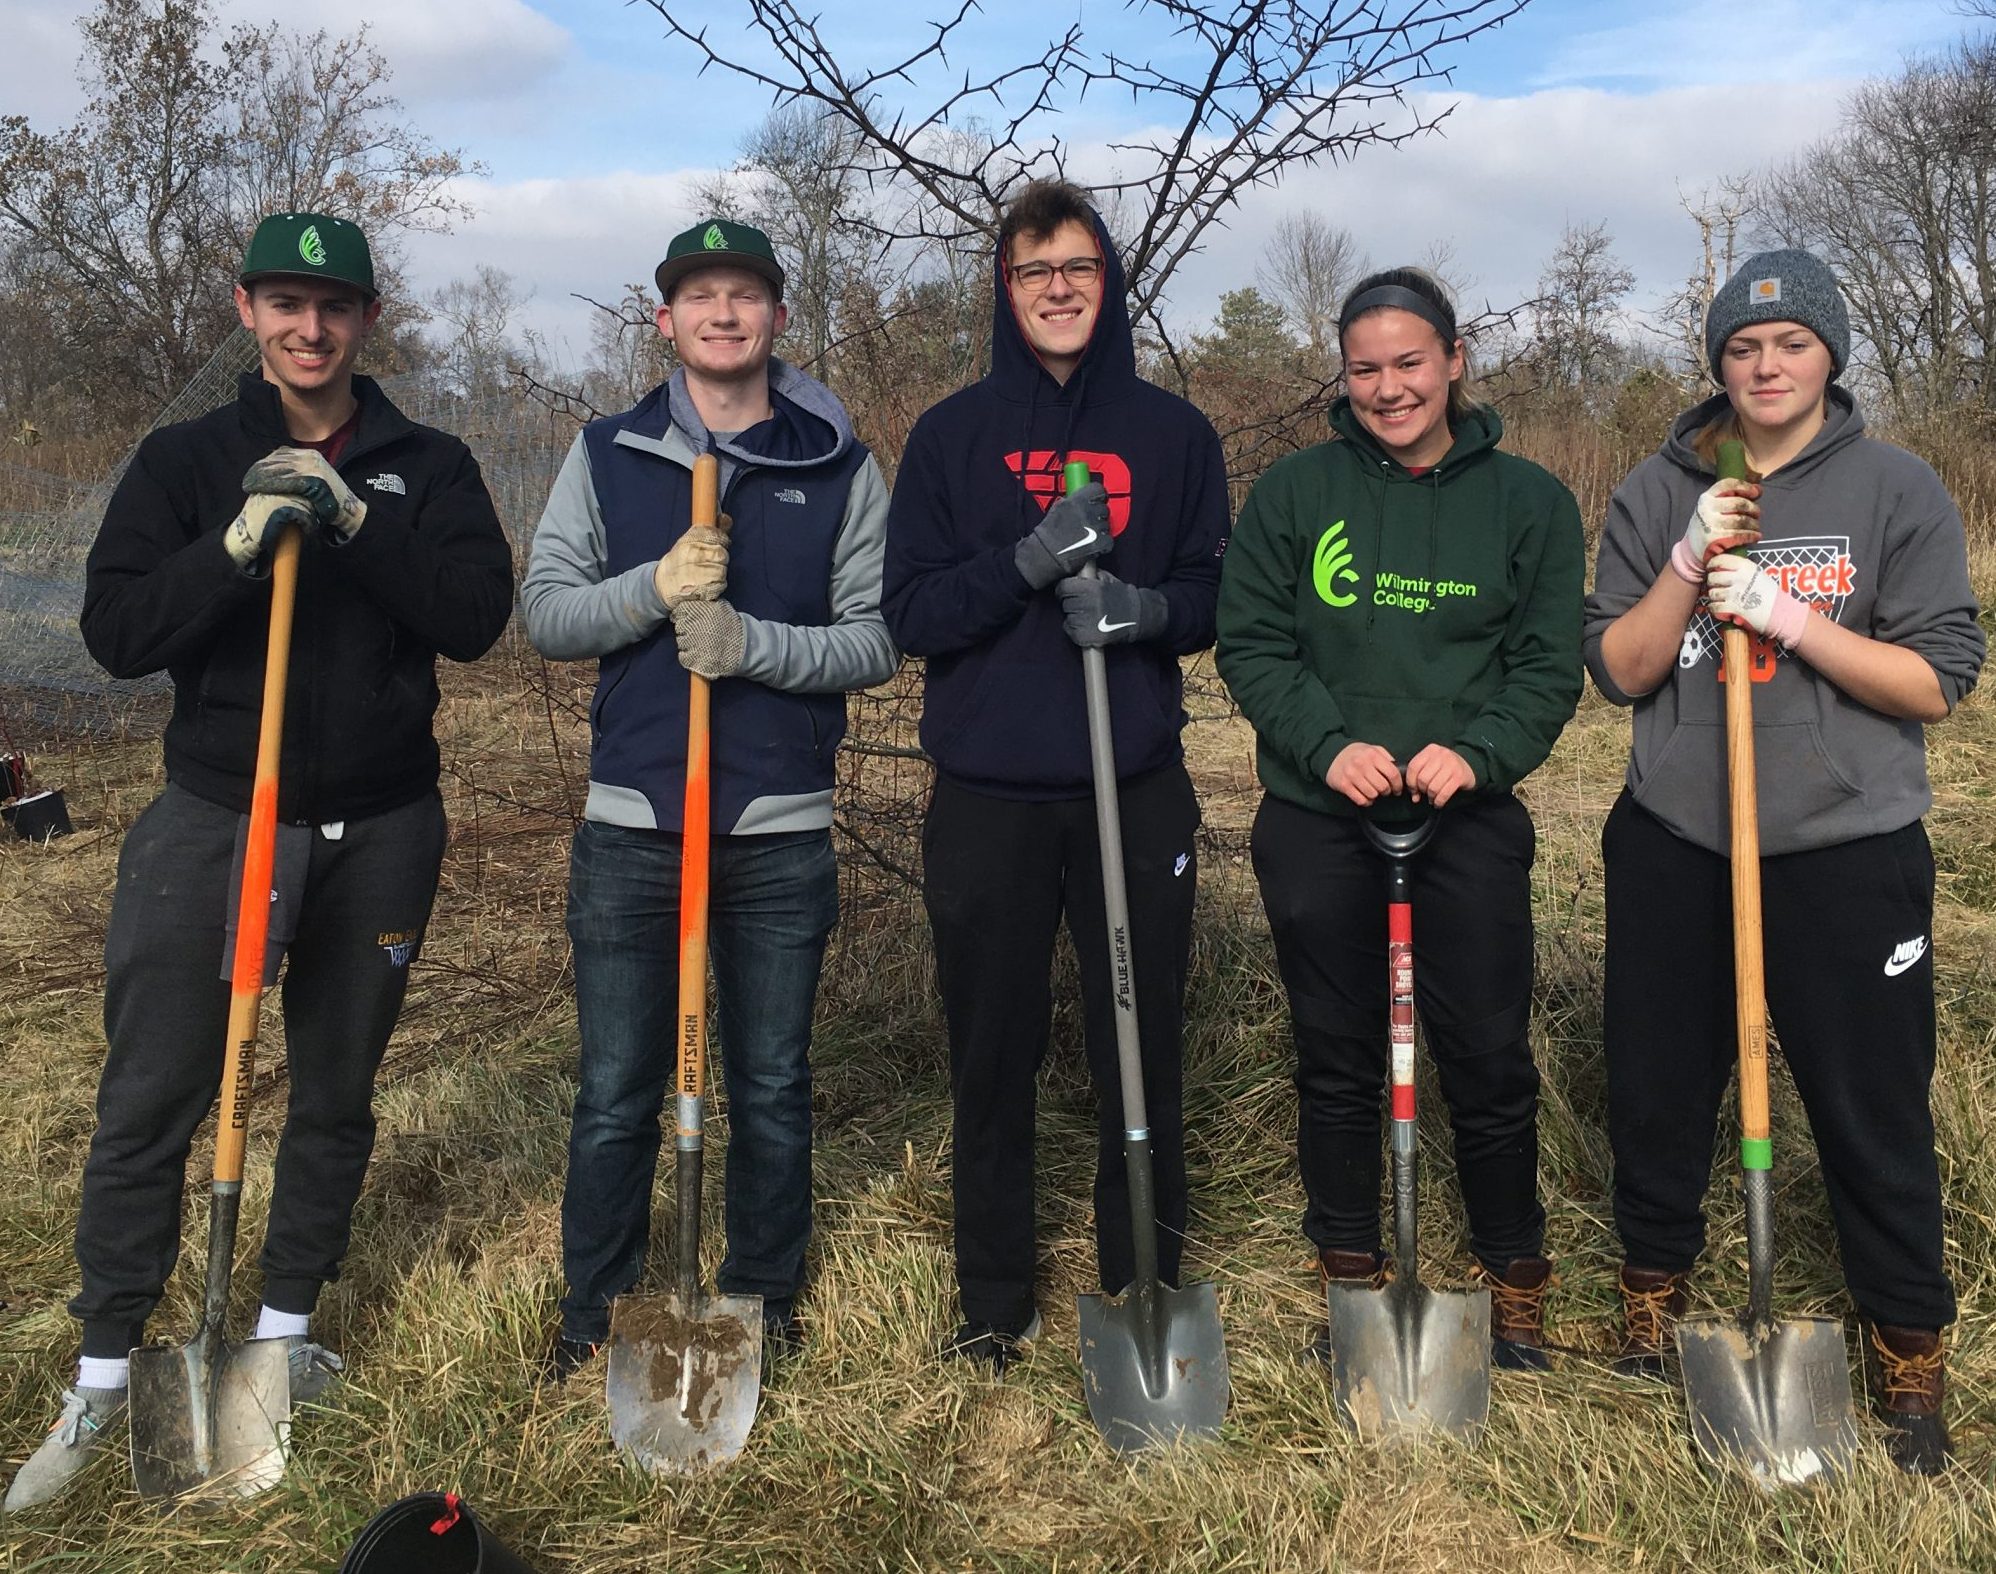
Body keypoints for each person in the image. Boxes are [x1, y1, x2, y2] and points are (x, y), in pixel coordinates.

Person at [5, 212, 514, 1513]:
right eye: (285, 302)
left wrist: (349, 521)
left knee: (336, 1092)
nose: (310, 326)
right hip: (220, 815)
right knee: (153, 1095)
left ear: (367, 318)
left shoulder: (428, 461)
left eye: (333, 305)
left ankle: (282, 1333)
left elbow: (472, 617)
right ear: (245, 308)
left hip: (385, 825)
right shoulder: (186, 459)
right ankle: (109, 1366)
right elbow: (118, 629)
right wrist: (238, 542)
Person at [1585, 249, 1984, 1473]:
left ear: (1829, 356)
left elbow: (1937, 678)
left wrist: (1792, 617)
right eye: (1743, 349)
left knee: (1871, 1103)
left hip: (1842, 847)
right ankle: (1653, 1300)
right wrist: (1685, 564)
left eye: (1790, 345)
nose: (1765, 365)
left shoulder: (1894, 487)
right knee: (1655, 1082)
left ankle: (1905, 1348)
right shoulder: (1660, 491)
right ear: (1717, 364)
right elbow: (1620, 672)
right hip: (1678, 838)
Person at [521, 219, 896, 1381]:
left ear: (779, 316)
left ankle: (761, 1299)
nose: (723, 314)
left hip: (776, 826)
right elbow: (545, 612)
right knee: (618, 1087)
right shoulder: (608, 450)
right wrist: (651, 587)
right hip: (636, 821)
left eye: (745, 295)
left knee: (772, 1082)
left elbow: (875, 639)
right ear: (664, 320)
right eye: (700, 297)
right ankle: (597, 1308)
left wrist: (748, 644)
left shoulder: (835, 459)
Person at [882, 179, 1229, 1371]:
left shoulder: (1174, 435)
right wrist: (1025, 562)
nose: (1059, 289)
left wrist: (1140, 610)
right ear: (1005, 290)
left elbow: (1211, 594)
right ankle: (994, 1294)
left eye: (1078, 267)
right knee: (992, 1043)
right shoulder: (951, 436)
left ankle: (1144, 1275)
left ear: (1108, 282)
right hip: (989, 791)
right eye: (1036, 272)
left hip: (1128, 785)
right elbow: (913, 612)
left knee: (1143, 1037)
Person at [1215, 267, 1584, 1369]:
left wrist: (1476, 753)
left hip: (1464, 818)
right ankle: (1352, 1269)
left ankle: (1512, 1272)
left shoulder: (1530, 503)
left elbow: (1544, 666)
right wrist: (1328, 745)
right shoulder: (1294, 492)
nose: (1388, 388)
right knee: (1336, 1052)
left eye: (1408, 363)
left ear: (1454, 359)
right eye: (1365, 367)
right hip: (1321, 816)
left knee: (1486, 1051)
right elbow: (1252, 643)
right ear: (1344, 373)